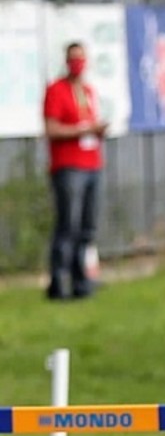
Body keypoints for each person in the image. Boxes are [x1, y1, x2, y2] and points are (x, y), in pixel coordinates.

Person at [43, 42, 109, 300]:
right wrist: (84, 130)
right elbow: (52, 128)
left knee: (87, 227)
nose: (78, 63)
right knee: (67, 225)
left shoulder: (88, 90)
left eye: (82, 58)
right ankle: (59, 281)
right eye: (74, 59)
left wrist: (97, 130)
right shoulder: (56, 91)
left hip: (92, 163)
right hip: (69, 165)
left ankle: (82, 281)